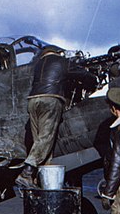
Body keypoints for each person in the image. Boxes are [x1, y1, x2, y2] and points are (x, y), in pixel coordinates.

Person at [15, 45, 93, 188]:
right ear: (57, 53)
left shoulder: (37, 65)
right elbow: (82, 74)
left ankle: (40, 179)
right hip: (51, 99)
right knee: (46, 138)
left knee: (38, 141)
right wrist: (93, 81)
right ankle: (26, 172)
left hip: (33, 101)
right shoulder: (61, 61)